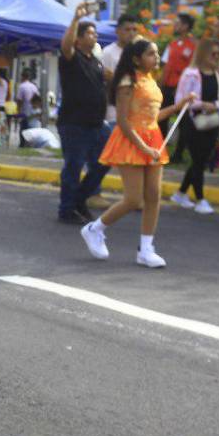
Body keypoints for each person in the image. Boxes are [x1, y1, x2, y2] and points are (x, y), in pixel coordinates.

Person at [80, 39, 194, 267]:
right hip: (131, 140)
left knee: (153, 196)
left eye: (157, 53)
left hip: (152, 139)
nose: (157, 57)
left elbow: (152, 117)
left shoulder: (150, 80)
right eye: (151, 53)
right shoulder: (126, 81)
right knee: (133, 199)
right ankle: (94, 228)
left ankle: (146, 249)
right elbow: (122, 121)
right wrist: (143, 147)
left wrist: (177, 107)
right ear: (136, 58)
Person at [57, 3, 111, 224]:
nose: (95, 35)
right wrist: (75, 20)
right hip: (74, 123)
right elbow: (66, 46)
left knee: (105, 161)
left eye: (94, 32)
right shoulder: (71, 58)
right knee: (74, 166)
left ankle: (79, 199)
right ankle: (67, 209)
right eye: (89, 33)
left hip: (97, 124)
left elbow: (111, 79)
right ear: (78, 39)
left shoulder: (96, 62)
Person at [170, 37, 219, 215]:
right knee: (198, 160)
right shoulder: (191, 74)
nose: (216, 57)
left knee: (201, 160)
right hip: (192, 122)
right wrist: (201, 104)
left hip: (212, 122)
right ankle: (200, 199)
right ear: (203, 53)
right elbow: (180, 100)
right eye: (213, 53)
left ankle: (180, 193)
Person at [160, 13, 196, 163]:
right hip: (167, 87)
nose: (175, 26)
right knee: (162, 118)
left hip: (181, 89)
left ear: (186, 26)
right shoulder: (173, 44)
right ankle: (161, 149)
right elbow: (164, 64)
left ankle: (178, 154)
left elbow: (193, 69)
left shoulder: (194, 45)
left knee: (183, 122)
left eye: (178, 23)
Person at [102, 13, 140, 123]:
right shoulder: (108, 52)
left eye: (134, 29)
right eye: (127, 30)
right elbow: (104, 81)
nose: (131, 33)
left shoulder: (139, 53)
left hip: (135, 109)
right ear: (117, 31)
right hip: (114, 109)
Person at [15, 68, 39, 146]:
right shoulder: (34, 86)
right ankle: (30, 144)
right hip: (33, 111)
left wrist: (18, 111)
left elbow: (19, 100)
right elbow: (37, 98)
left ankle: (23, 144)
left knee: (23, 129)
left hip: (25, 111)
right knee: (31, 129)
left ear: (22, 77)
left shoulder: (22, 86)